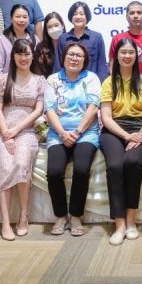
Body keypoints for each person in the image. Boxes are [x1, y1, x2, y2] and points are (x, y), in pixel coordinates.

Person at [100, 38, 142, 245]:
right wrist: (126, 136)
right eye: (123, 52)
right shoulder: (109, 82)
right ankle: (120, 224)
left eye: (130, 52)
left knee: (132, 162)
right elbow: (106, 117)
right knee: (115, 166)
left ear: (136, 56)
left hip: (140, 128)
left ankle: (131, 221)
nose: (127, 56)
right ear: (116, 56)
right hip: (114, 130)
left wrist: (141, 134)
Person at [0, 39, 45, 241]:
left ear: (33, 56)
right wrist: (6, 132)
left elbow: (38, 110)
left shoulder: (39, 80)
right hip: (1, 130)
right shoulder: (2, 80)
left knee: (21, 163)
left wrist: (16, 130)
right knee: (5, 166)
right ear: (13, 56)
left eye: (27, 53)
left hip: (26, 130)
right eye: (20, 54)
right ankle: (5, 222)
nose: (24, 58)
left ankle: (24, 215)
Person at [45, 43, 101, 237]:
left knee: (81, 169)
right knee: (54, 172)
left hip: (86, 133)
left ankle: (76, 215)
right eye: (71, 54)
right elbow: (49, 109)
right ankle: (61, 215)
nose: (74, 58)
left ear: (84, 60)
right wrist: (62, 133)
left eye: (79, 55)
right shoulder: (53, 80)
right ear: (64, 57)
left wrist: (76, 132)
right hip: (58, 133)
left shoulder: (91, 78)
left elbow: (93, 107)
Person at [108, 1, 142, 86]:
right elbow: (112, 67)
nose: (135, 16)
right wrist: (118, 87)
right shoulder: (117, 39)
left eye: (139, 13)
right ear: (127, 17)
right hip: (123, 88)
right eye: (132, 13)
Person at [55, 2, 108, 81]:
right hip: (67, 85)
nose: (78, 16)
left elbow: (102, 65)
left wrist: (100, 84)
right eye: (75, 14)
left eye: (81, 14)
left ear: (87, 17)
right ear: (71, 17)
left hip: (90, 84)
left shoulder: (96, 38)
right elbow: (58, 65)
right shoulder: (63, 38)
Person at [0, 4, 36, 78]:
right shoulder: (2, 40)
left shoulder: (34, 39)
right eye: (18, 17)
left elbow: (38, 66)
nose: (21, 20)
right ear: (11, 19)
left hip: (30, 83)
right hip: (7, 83)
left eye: (25, 17)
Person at [35, 12, 65, 78]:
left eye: (56, 25)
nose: (54, 29)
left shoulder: (70, 44)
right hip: (47, 82)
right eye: (49, 27)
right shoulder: (40, 47)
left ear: (62, 25)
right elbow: (38, 71)